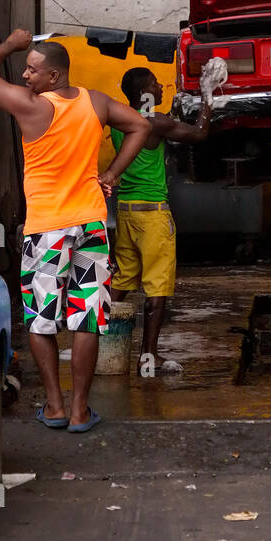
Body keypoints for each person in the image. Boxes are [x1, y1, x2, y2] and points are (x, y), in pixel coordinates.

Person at [0, 30, 150, 431]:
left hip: (47, 229)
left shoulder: (29, 106)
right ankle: (81, 410)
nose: (25, 76)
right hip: (91, 224)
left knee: (41, 318)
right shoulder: (95, 102)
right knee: (86, 316)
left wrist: (11, 45)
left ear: (53, 77)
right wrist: (112, 174)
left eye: (33, 70)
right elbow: (141, 126)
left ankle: (55, 406)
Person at [110, 67, 211, 375]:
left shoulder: (121, 119)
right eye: (155, 84)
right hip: (153, 214)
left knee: (123, 278)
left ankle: (97, 340)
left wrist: (174, 110)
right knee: (157, 287)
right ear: (145, 93)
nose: (162, 87)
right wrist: (208, 96)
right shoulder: (156, 123)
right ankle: (148, 357)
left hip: (125, 210)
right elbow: (200, 133)